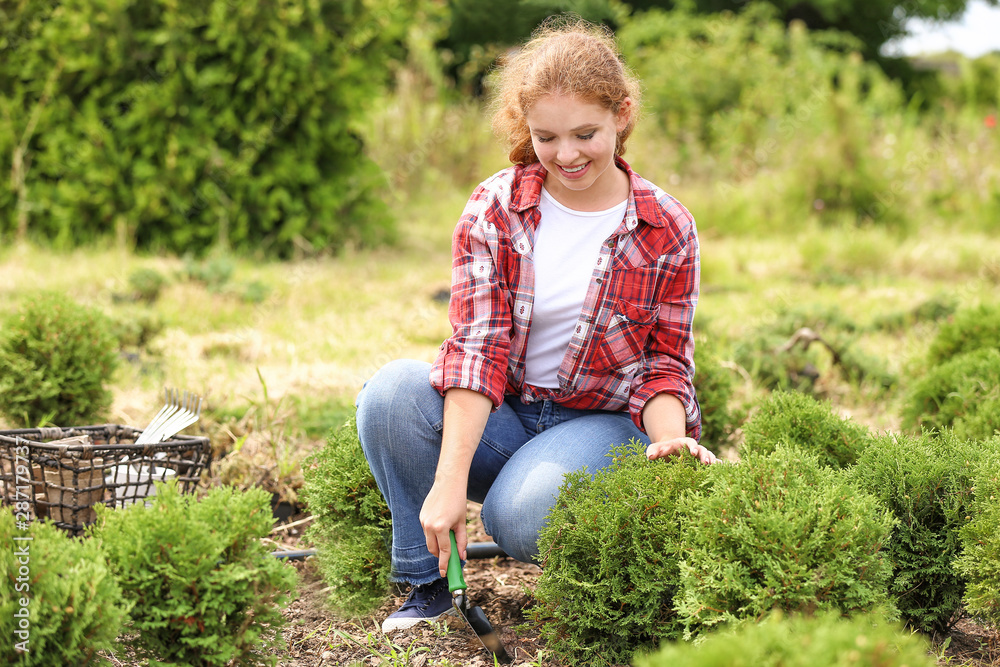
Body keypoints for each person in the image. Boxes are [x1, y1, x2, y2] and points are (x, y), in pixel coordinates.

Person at [356, 17, 717, 634]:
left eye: (586, 134)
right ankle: (428, 586)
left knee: (517, 520)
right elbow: (477, 351)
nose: (567, 155)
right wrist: (446, 488)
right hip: (507, 416)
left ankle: (568, 541)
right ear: (525, 126)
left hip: (599, 428)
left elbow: (663, 362)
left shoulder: (665, 227)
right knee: (391, 393)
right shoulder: (496, 208)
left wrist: (669, 441)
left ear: (622, 116)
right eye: (547, 137)